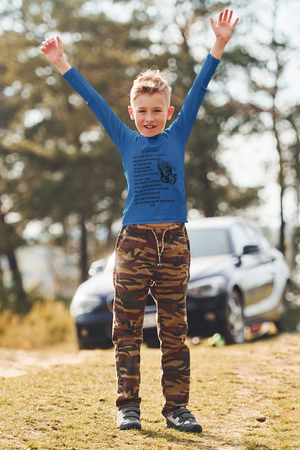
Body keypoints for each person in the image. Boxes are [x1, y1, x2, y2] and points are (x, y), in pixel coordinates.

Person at [41, 9, 238, 433]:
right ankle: (128, 405)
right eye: (142, 110)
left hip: (174, 242)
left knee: (174, 329)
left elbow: (201, 87)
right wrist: (62, 63)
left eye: (157, 110)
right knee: (126, 328)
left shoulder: (178, 134)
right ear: (131, 113)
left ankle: (177, 408)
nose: (149, 117)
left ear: (169, 113)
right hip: (134, 243)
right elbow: (94, 101)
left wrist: (218, 43)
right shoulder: (126, 138)